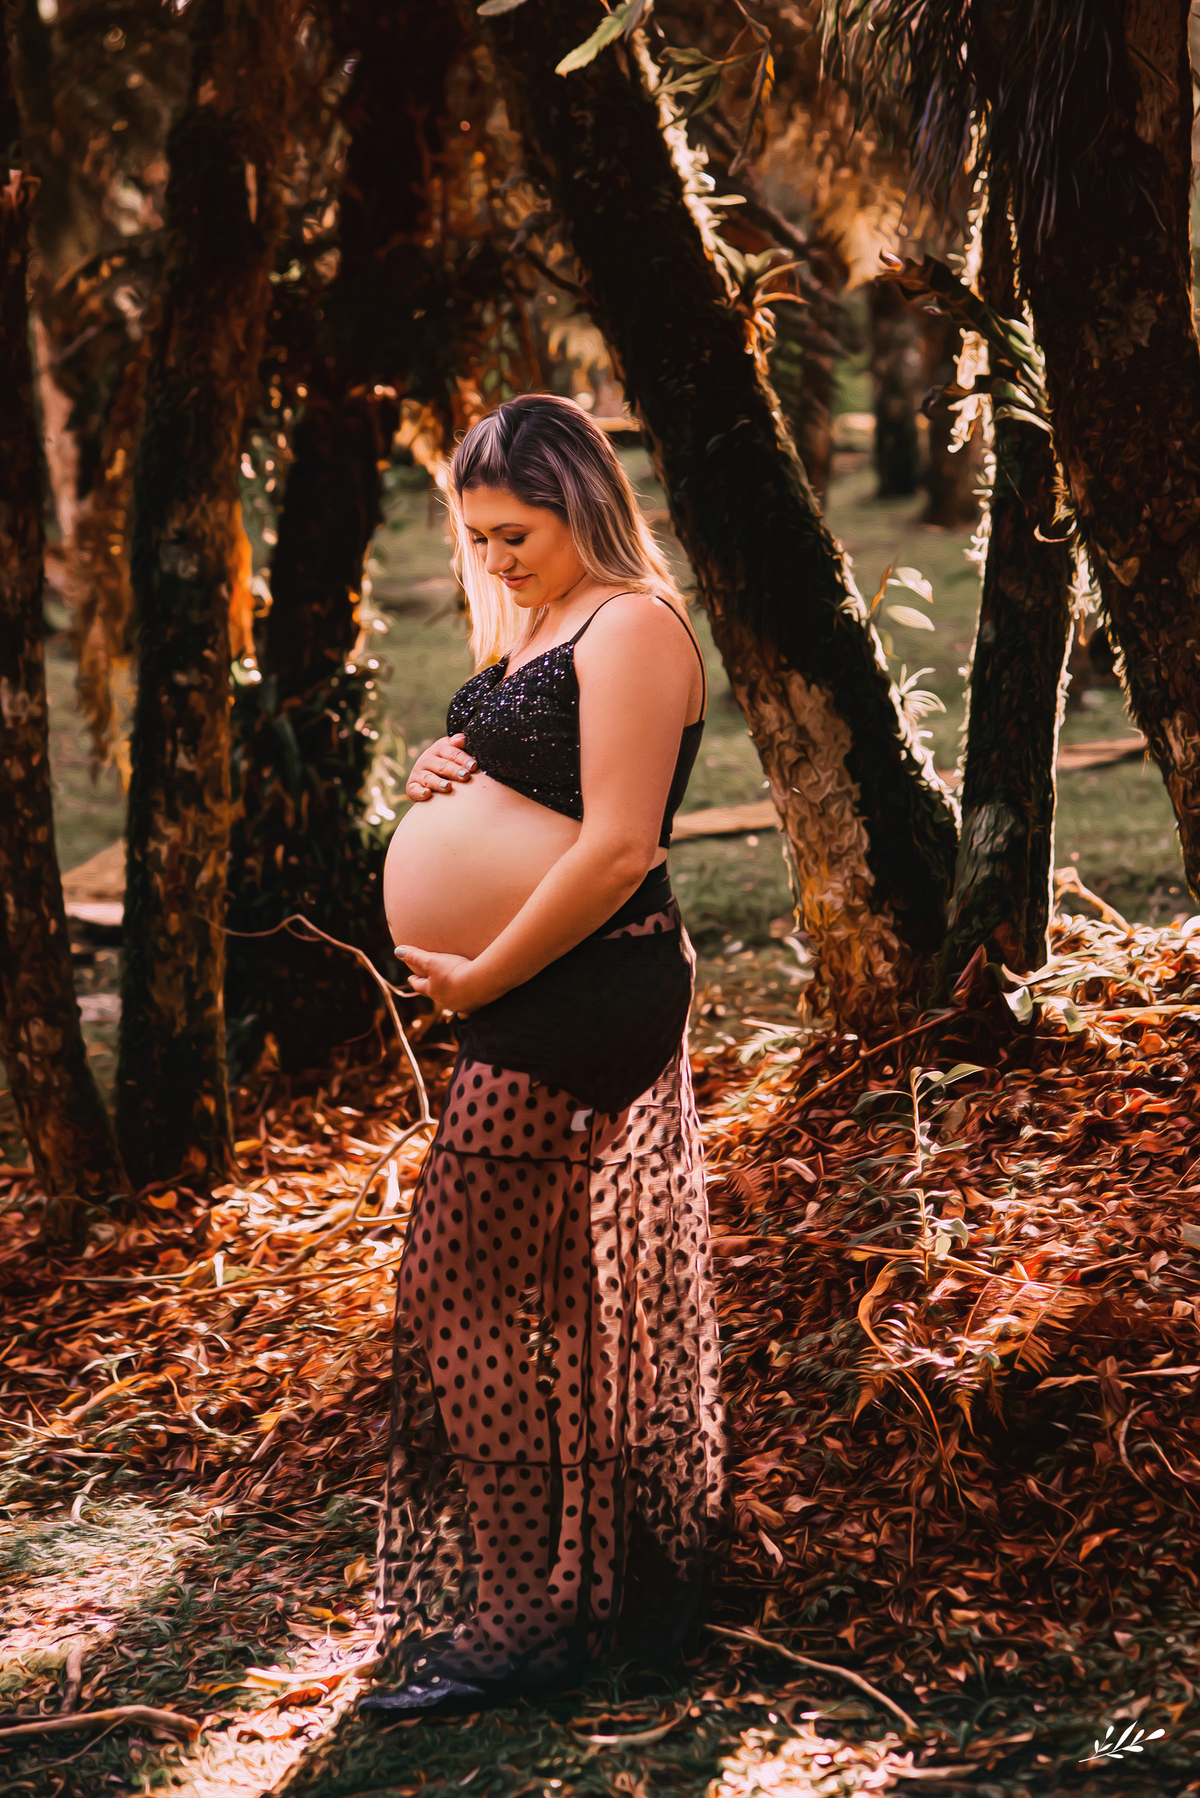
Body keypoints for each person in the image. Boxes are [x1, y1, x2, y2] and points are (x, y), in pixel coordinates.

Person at [363, 394, 724, 1717]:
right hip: (533, 986)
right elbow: (540, 780)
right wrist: (438, 767)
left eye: (514, 531)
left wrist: (481, 971)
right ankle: (572, 1595)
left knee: (465, 1295)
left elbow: (622, 844)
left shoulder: (631, 623)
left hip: (581, 988)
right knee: (536, 1302)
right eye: (478, 537)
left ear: (580, 500)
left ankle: (522, 1627)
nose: (497, 558)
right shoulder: (553, 621)